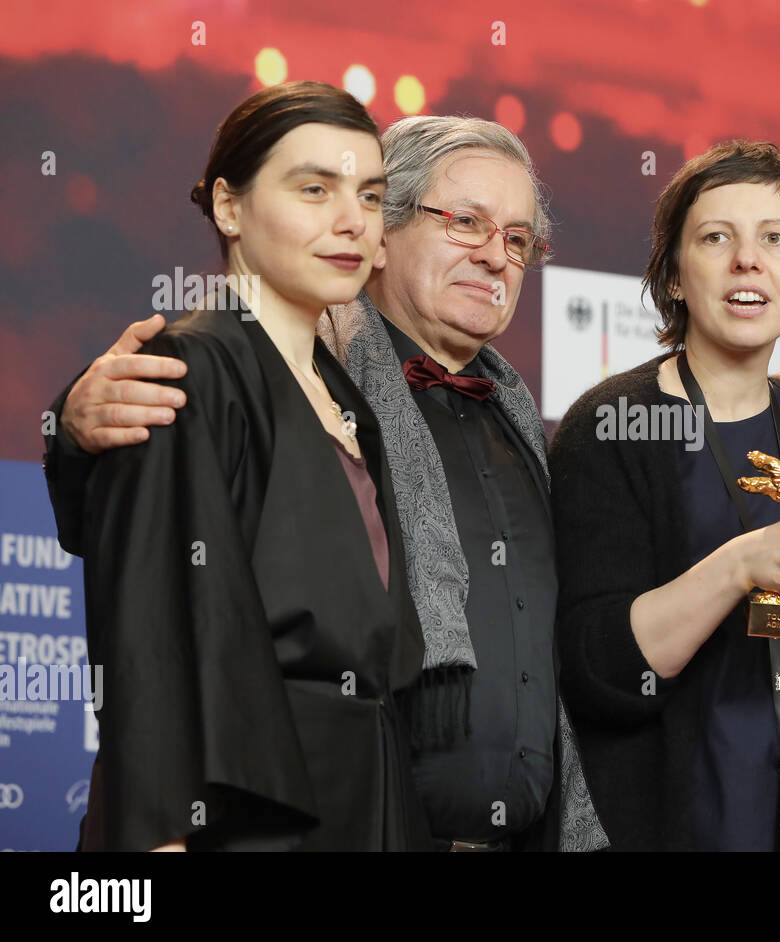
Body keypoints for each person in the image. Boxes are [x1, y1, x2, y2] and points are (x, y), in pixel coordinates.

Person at [45, 114, 610, 851]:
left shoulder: (529, 430)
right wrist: (74, 425)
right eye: (466, 222)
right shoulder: (298, 371)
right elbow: (160, 601)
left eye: (516, 239)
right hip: (313, 820)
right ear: (384, 236)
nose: (494, 256)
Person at [63, 81, 433, 850]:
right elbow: (151, 637)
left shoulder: (348, 398)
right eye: (313, 189)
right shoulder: (186, 366)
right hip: (239, 818)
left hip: (366, 804)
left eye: (369, 195)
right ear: (229, 207)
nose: (350, 222)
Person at [547, 141, 780, 851]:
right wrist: (739, 565)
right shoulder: (612, 426)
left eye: (775, 239)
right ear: (674, 275)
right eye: (716, 239)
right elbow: (597, 670)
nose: (749, 261)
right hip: (689, 823)